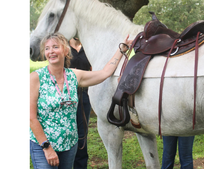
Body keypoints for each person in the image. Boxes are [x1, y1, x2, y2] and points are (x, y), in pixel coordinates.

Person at [30, 32, 131, 169]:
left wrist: (121, 50)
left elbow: (104, 73)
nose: (51, 51)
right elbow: (31, 118)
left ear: (66, 50)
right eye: (47, 48)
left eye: (55, 47)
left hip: (69, 145)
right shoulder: (35, 78)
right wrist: (46, 147)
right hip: (44, 146)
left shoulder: (74, 76)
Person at [69, 37, 92, 169]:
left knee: (82, 133)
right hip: (66, 94)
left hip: (84, 94)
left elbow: (93, 69)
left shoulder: (88, 47)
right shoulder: (64, 46)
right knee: (67, 130)